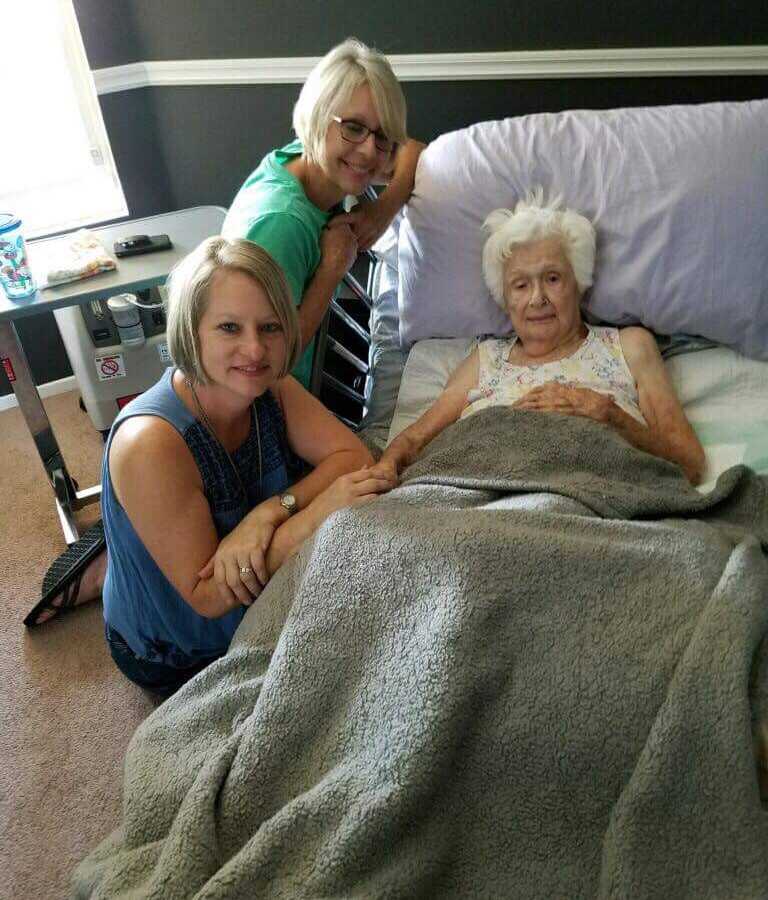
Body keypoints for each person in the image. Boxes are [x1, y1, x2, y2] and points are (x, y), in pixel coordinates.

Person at [25, 238, 393, 694]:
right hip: (171, 650)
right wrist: (318, 511)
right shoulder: (150, 444)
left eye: (271, 327)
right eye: (229, 327)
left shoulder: (270, 388)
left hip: (240, 546)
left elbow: (355, 458)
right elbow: (209, 597)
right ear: (190, 330)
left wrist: (268, 513)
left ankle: (124, 549)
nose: (255, 350)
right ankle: (123, 562)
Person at [372, 191, 705, 486]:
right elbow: (417, 439)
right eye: (520, 285)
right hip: (486, 500)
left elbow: (689, 464)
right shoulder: (484, 360)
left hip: (592, 498)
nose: (537, 298)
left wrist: (611, 417)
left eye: (552, 278)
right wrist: (386, 466)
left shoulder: (629, 347)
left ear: (580, 281)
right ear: (504, 298)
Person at [222, 37, 425, 389]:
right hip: (263, 402)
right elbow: (265, 363)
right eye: (353, 127)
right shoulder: (282, 224)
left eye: (382, 136)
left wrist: (381, 211)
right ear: (318, 116)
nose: (367, 152)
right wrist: (331, 270)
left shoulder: (302, 156)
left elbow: (412, 151)